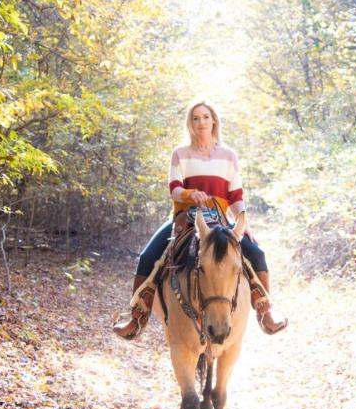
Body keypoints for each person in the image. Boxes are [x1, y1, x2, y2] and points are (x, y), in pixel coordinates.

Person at [112, 100, 288, 340]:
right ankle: (136, 317)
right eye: (195, 118)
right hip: (186, 220)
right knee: (148, 257)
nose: (201, 122)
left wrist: (242, 222)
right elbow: (174, 189)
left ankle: (266, 311)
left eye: (205, 117)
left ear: (213, 120)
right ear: (190, 123)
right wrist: (189, 194)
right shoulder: (181, 153)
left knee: (256, 254)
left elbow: (235, 195)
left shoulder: (228, 155)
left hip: (220, 221)